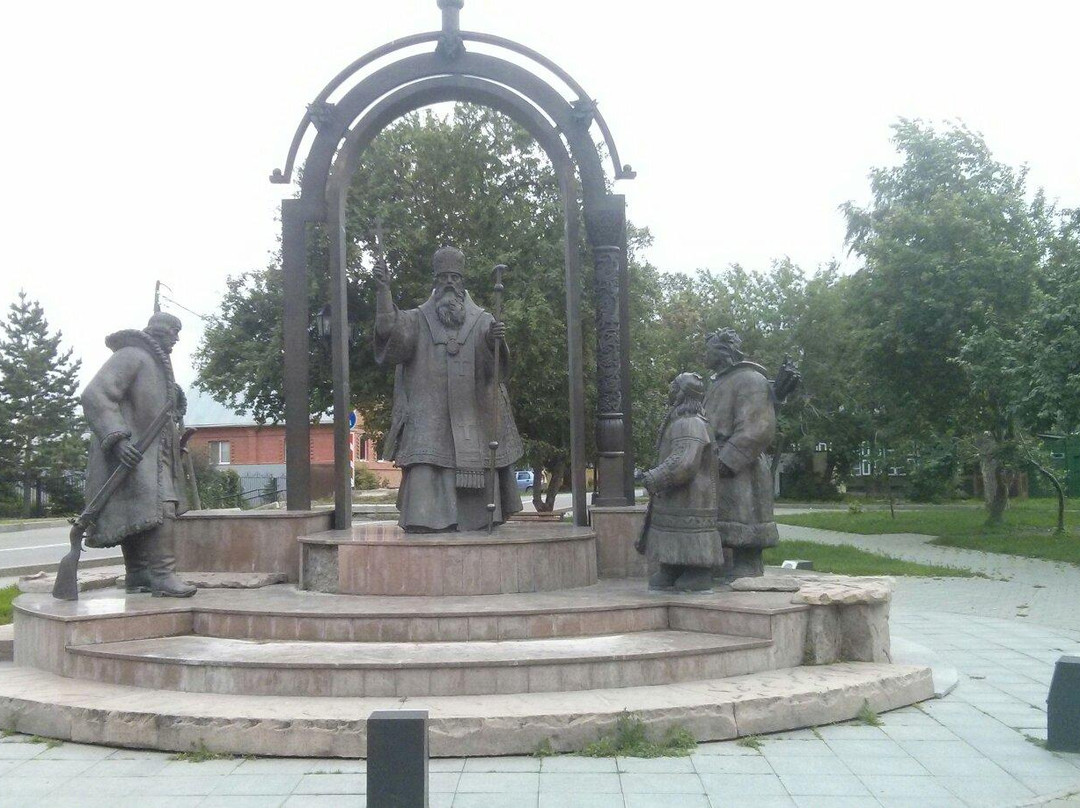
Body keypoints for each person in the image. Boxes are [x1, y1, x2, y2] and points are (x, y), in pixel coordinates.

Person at [373, 246, 524, 532]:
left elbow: (497, 373)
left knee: (476, 453)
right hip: (429, 416)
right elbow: (388, 333)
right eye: (444, 278)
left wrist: (496, 341)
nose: (450, 283)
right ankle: (425, 519)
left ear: (462, 283)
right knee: (426, 461)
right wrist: (384, 291)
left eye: (455, 277)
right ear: (436, 282)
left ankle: (477, 518)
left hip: (473, 414)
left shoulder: (482, 321)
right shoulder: (417, 319)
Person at [81, 311, 198, 598]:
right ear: (160, 331)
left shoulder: (155, 363)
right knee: (162, 506)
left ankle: (138, 574)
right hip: (133, 450)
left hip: (149, 452)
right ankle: (163, 576)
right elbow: (94, 394)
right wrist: (117, 439)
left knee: (137, 508)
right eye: (174, 332)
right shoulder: (132, 355)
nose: (177, 338)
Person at [703, 328, 779, 578]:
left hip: (741, 467)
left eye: (709, 349)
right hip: (716, 462)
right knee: (725, 519)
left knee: (745, 518)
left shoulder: (750, 379)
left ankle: (748, 565)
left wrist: (728, 459)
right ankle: (723, 565)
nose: (705, 355)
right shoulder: (719, 381)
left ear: (723, 351)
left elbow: (759, 427)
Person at [637, 372, 722, 592]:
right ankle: (672, 566)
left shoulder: (690, 423)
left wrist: (654, 477)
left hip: (692, 496)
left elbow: (684, 463)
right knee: (672, 529)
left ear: (682, 393)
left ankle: (699, 572)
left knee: (691, 531)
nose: (670, 390)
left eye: (674, 386)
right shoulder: (681, 421)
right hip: (676, 496)